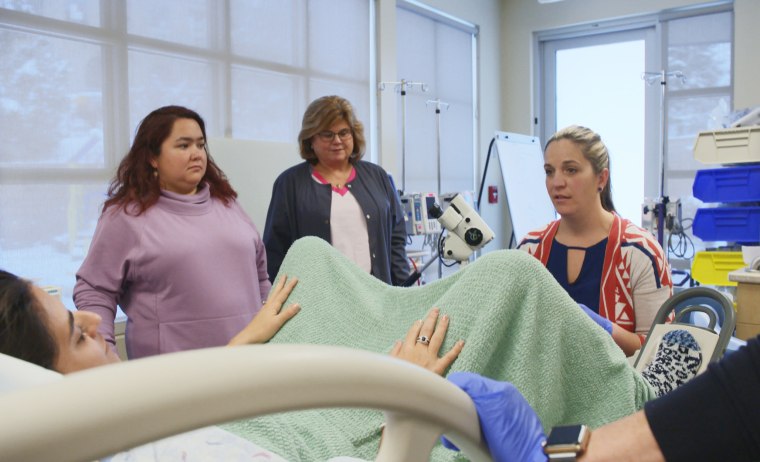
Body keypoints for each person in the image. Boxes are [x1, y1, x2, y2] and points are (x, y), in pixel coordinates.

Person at [73, 105, 272, 359]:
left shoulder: (227, 203)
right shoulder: (127, 216)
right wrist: (104, 353)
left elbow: (260, 278)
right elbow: (95, 290)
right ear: (152, 157)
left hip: (249, 363)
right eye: (183, 145)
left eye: (200, 145)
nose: (197, 154)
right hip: (173, 374)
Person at [444, 332, 760, 462]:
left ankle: (645, 388)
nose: (557, 185)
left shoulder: (636, 249)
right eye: (548, 182)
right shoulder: (536, 245)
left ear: (601, 184)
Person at [517, 125, 672, 356]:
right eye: (550, 171)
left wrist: (606, 330)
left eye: (570, 170)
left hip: (619, 389)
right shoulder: (531, 249)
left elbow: (660, 350)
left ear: (601, 178)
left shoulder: (639, 251)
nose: (557, 182)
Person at [263, 95, 409, 286]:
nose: (337, 140)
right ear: (310, 139)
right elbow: (275, 251)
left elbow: (396, 239)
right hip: (320, 300)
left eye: (344, 132)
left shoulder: (377, 176)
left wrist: (403, 289)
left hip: (377, 293)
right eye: (327, 134)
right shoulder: (290, 184)